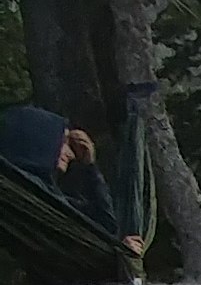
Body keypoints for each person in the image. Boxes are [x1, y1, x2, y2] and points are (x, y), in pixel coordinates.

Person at [0, 101, 141, 262]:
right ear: (38, 140)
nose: (71, 154)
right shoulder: (29, 199)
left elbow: (106, 224)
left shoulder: (48, 195)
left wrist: (90, 167)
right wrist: (118, 255)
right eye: (64, 143)